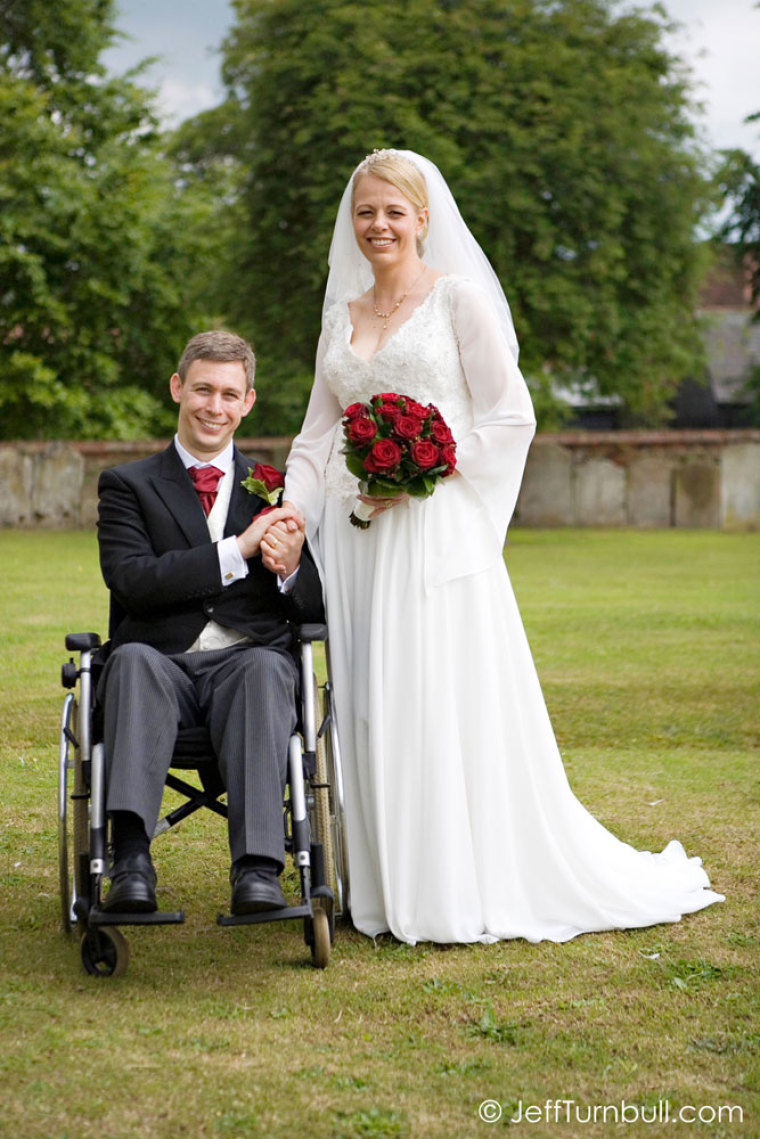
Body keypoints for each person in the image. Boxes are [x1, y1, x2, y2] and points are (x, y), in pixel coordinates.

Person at [283, 148, 723, 944]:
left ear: (423, 218)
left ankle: (448, 889)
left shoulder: (455, 301)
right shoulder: (339, 315)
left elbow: (509, 415)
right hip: (354, 544)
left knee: (432, 698)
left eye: (393, 211)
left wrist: (425, 469)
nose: (378, 224)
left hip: (430, 532)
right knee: (371, 704)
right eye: (365, 211)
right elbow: (316, 439)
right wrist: (290, 513)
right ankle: (380, 888)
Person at [97, 330, 324, 917]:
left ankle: (258, 870)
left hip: (245, 670)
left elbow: (315, 609)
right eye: (202, 390)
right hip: (159, 667)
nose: (214, 407)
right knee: (132, 661)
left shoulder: (275, 489)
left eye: (229, 394)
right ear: (178, 388)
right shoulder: (128, 485)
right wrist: (236, 550)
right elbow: (132, 581)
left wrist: (290, 570)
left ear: (248, 402)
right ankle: (130, 862)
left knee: (263, 669)